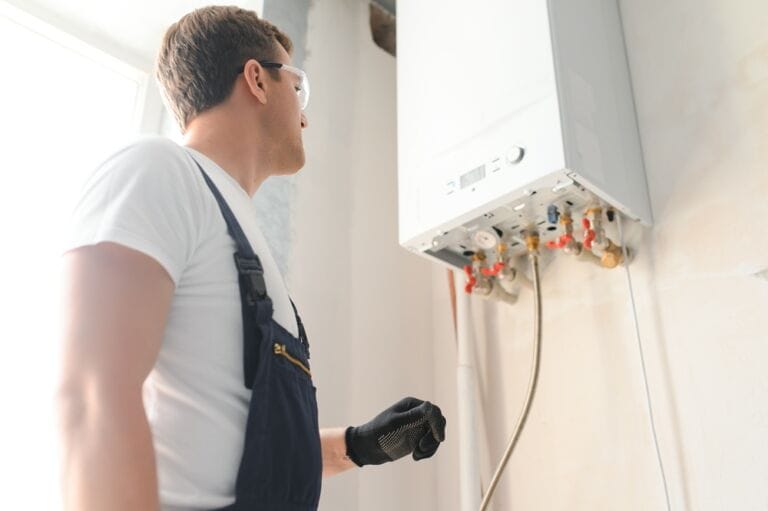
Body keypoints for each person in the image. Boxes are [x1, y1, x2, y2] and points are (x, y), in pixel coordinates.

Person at [56, 6, 446, 511]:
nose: (305, 115)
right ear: (257, 80)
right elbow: (89, 399)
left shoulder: (245, 241)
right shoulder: (156, 171)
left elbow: (236, 448)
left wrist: (359, 446)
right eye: (298, 87)